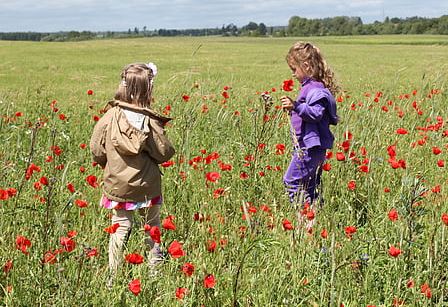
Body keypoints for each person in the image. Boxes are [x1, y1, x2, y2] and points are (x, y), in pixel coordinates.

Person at [90, 62, 175, 283]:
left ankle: (112, 277)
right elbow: (164, 153)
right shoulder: (149, 121)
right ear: (147, 89)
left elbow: (96, 149)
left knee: (120, 227)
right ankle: (155, 273)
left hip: (118, 185)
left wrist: (109, 165)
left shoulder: (110, 117)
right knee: (152, 227)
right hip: (147, 185)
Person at [280, 42, 339, 208]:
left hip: (310, 148)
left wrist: (296, 106)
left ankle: (305, 219)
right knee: (310, 187)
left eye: (294, 69)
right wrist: (294, 111)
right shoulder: (309, 87)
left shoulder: (316, 90)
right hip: (308, 147)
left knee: (292, 181)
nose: (293, 75)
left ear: (306, 66)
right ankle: (315, 219)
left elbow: (316, 114)